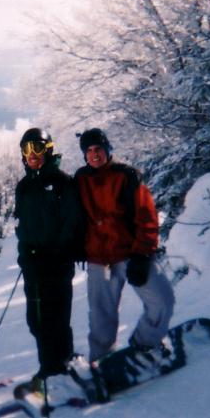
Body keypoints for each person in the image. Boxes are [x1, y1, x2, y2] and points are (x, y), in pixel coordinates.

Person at [74, 128, 175, 362]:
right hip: (99, 260)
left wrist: (142, 254)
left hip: (132, 254)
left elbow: (147, 216)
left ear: (108, 149)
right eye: (88, 151)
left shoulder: (127, 175)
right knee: (101, 318)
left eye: (98, 149)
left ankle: (145, 345)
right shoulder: (80, 180)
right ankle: (102, 363)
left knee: (162, 301)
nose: (94, 154)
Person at [13, 128, 83, 393]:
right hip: (33, 266)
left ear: (49, 149)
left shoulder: (62, 182)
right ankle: (51, 367)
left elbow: (71, 222)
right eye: (27, 150)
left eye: (38, 148)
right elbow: (22, 228)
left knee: (56, 318)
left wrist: (57, 252)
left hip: (57, 263)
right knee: (37, 320)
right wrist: (25, 257)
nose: (33, 155)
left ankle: (58, 368)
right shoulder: (24, 186)